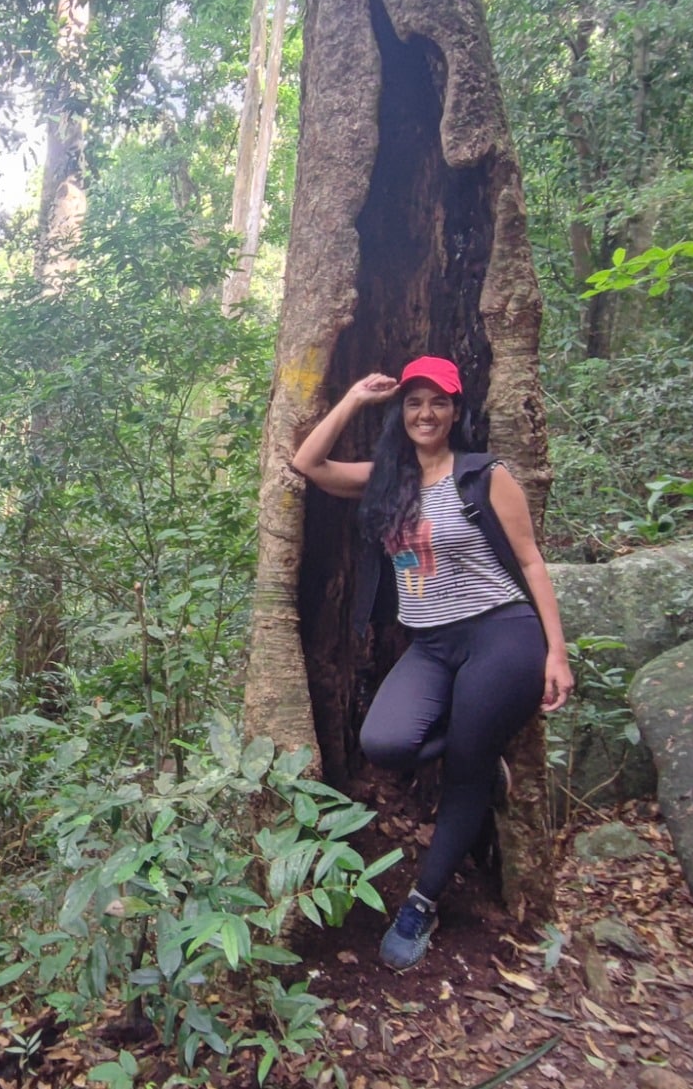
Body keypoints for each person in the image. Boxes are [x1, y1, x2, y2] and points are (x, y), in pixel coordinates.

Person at [290, 355, 572, 970]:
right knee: (385, 741)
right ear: (401, 412)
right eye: (414, 402)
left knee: (463, 778)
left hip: (501, 635)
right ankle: (474, 744)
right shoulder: (388, 481)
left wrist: (557, 650)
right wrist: (356, 396)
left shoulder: (484, 476)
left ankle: (421, 901)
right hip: (432, 644)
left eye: (438, 402)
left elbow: (529, 562)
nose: (425, 413)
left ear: (456, 410)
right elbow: (307, 464)